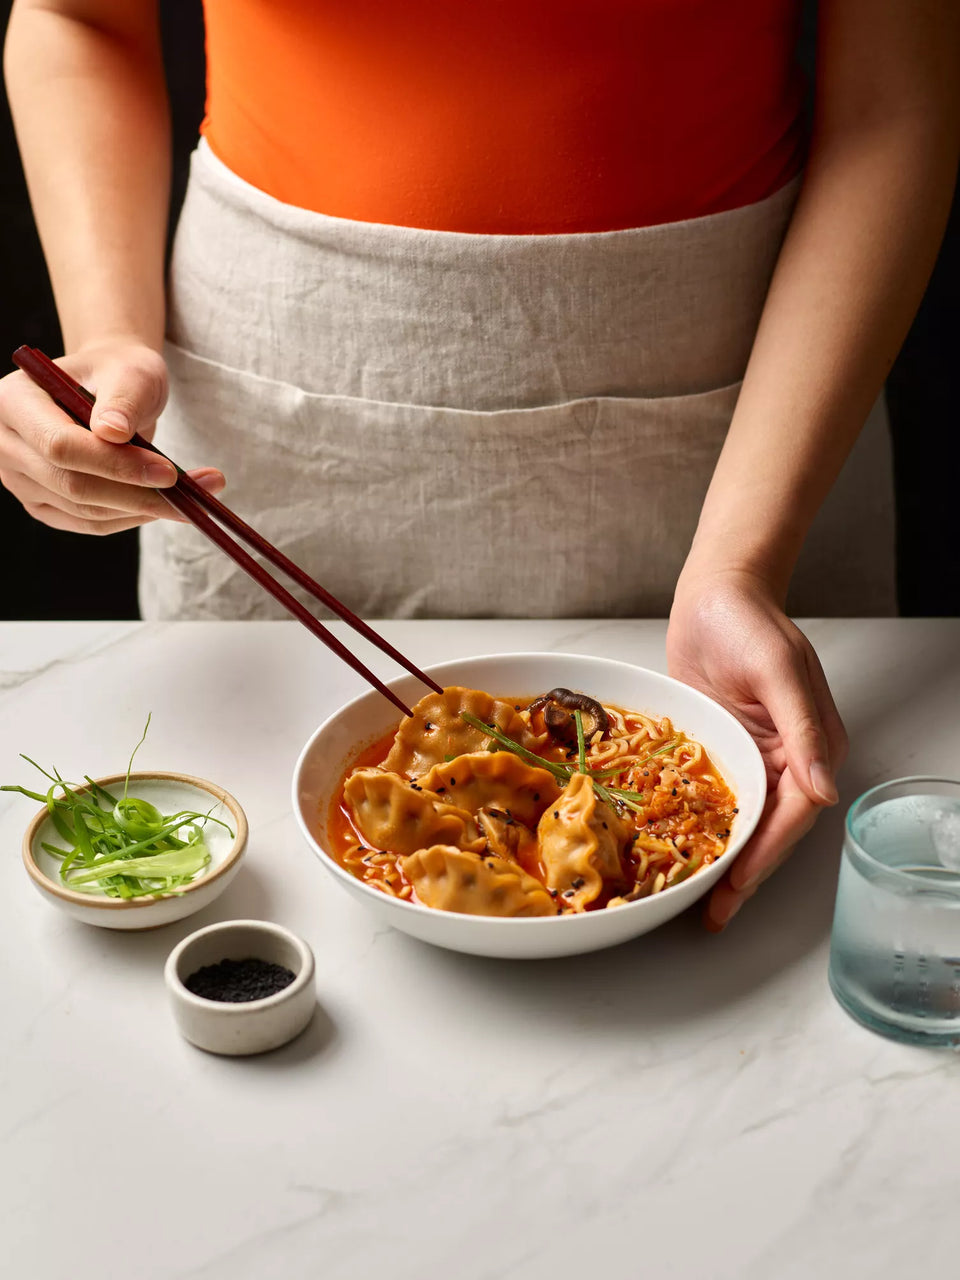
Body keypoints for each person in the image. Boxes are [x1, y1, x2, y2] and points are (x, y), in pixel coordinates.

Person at [1, 1, 957, 929]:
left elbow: (891, 101)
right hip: (276, 384)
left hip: (749, 400)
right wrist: (109, 340)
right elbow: (78, 17)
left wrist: (740, 564)